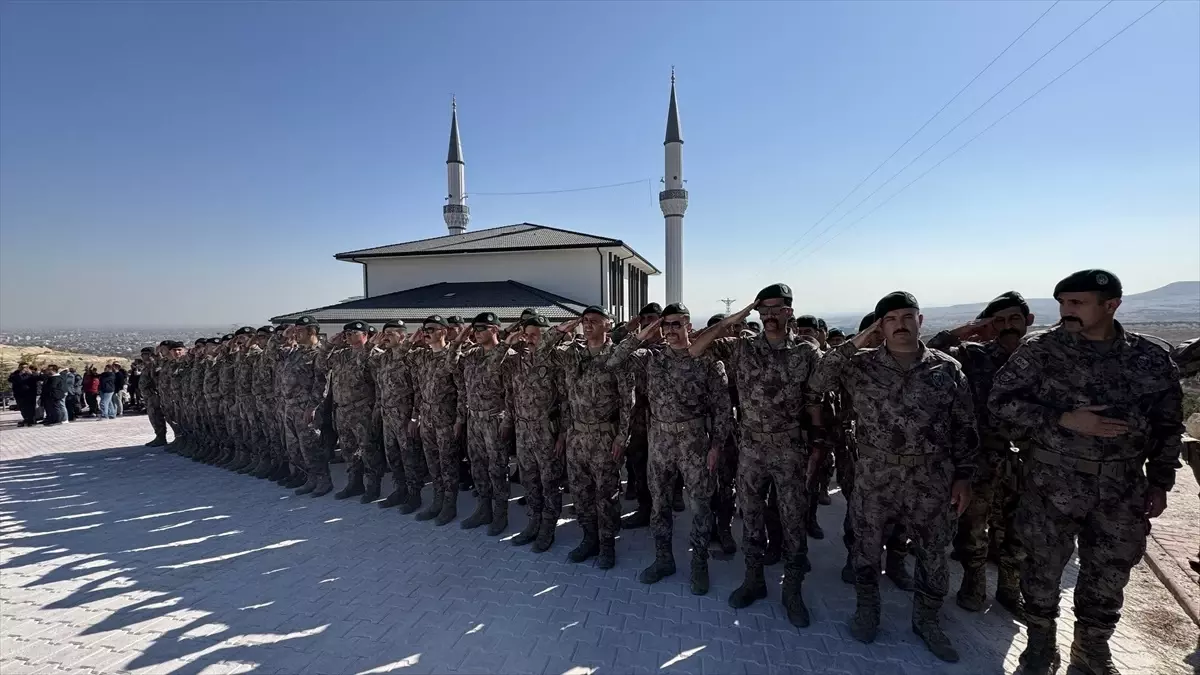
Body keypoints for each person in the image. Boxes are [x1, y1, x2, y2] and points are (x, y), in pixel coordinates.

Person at [989, 270, 1183, 675]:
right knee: (1040, 572)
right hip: (1051, 482)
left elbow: (1169, 424)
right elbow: (1001, 403)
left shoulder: (1149, 357)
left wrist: (1161, 481)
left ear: (1110, 305)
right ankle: (1040, 644)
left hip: (1122, 487)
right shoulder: (1040, 351)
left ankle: (1091, 649)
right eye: (1062, 303)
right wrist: (1064, 419)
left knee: (1109, 574)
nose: (1066, 311)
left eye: (1076, 303)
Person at [811, 291, 977, 663]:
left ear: (920, 321)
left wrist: (964, 477)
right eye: (890, 319)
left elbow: (965, 427)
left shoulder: (946, 368)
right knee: (867, 548)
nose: (900, 324)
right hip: (876, 473)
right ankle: (867, 610)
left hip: (931, 476)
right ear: (879, 326)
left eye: (907, 316)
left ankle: (927, 619)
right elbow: (818, 380)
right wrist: (858, 341)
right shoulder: (860, 366)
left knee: (933, 552)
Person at [689, 284, 824, 626]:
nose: (770, 316)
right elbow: (696, 348)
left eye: (777, 309)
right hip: (751, 448)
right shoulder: (742, 348)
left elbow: (818, 402)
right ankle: (754, 581)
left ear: (790, 312)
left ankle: (792, 591)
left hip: (790, 449)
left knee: (793, 521)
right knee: (751, 517)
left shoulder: (807, 353)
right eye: (764, 310)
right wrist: (741, 313)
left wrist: (819, 447)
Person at [607, 302, 732, 596]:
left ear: (689, 326)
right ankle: (664, 559)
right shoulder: (652, 358)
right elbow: (614, 360)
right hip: (660, 439)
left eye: (677, 324)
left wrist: (716, 445)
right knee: (659, 504)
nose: (672, 330)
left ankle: (699, 563)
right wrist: (642, 333)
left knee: (700, 505)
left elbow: (723, 409)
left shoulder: (707, 361)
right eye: (667, 325)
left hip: (694, 441)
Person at [927, 291, 1033, 617]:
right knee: (973, 526)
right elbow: (930, 353)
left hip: (1028, 461)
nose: (1007, 326)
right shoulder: (974, 356)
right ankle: (974, 583)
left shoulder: (1044, 357)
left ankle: (1010, 589)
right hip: (982, 458)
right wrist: (963, 331)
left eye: (1014, 319)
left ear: (1028, 321)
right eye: (998, 321)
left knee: (1019, 528)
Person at [541, 307, 634, 569]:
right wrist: (560, 330)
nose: (588, 325)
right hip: (577, 436)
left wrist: (622, 438)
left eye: (594, 321)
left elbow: (628, 400)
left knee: (606, 495)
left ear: (608, 325)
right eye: (584, 321)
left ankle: (607, 545)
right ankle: (589, 539)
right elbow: (540, 353)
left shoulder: (617, 356)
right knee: (581, 495)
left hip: (605, 436)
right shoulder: (572, 355)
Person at [447, 312, 517, 536]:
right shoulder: (471, 354)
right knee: (477, 467)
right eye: (474, 329)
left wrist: (507, 422)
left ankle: (500, 514)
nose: (476, 333)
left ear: (495, 330)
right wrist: (458, 341)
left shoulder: (509, 355)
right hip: (474, 419)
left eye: (481, 329)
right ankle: (483, 509)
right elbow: (450, 366)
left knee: (497, 469)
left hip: (495, 419)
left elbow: (513, 394)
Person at [502, 314, 565, 552]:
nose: (528, 339)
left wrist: (562, 435)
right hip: (523, 431)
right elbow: (509, 392)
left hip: (547, 432)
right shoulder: (516, 360)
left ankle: (548, 527)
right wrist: (511, 338)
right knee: (529, 480)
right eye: (526, 335)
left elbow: (567, 400)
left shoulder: (557, 359)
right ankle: (533, 522)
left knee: (550, 481)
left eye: (534, 335)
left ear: (546, 336)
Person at [410, 315, 465, 525]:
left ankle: (449, 506)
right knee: (433, 465)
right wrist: (415, 416)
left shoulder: (454, 357)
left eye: (431, 329)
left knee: (448, 465)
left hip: (446, 422)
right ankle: (437, 502)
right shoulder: (421, 357)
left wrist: (460, 420)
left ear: (443, 331)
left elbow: (462, 391)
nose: (426, 332)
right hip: (427, 421)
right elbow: (418, 389)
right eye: (424, 329)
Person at [320, 320, 384, 503]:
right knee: (349, 450)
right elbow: (321, 365)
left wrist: (376, 411)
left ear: (364, 334)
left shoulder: (374, 355)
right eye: (345, 333)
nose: (347, 336)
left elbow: (379, 386)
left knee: (369, 449)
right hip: (342, 410)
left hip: (363, 409)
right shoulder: (341, 355)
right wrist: (330, 344)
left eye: (352, 333)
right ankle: (354, 483)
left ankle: (373, 486)